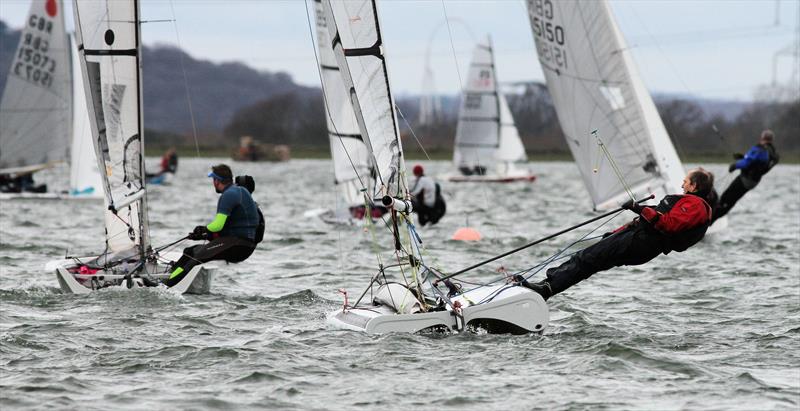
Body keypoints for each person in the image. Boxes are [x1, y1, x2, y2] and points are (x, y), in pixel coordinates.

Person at [518, 168, 715, 301]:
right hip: (637, 240)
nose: (682, 185)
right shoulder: (690, 203)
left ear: (694, 186)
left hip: (641, 244)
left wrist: (639, 208)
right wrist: (613, 233)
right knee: (588, 262)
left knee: (585, 258)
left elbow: (668, 224)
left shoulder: (695, 205)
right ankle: (546, 287)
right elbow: (654, 222)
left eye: (686, 182)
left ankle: (545, 290)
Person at [164, 164, 259, 287]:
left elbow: (218, 225)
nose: (213, 183)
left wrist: (203, 229)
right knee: (190, 252)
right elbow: (231, 226)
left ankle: (166, 286)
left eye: (213, 180)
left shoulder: (229, 194)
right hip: (241, 243)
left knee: (196, 258)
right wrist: (204, 234)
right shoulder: (240, 191)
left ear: (217, 180)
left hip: (239, 244)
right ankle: (170, 276)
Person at [712, 129, 779, 223]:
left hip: (745, 179)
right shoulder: (773, 153)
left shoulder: (761, 148)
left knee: (725, 199)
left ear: (762, 137)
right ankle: (712, 220)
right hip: (753, 182)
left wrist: (735, 165)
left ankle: (708, 220)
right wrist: (743, 157)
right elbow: (757, 163)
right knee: (731, 201)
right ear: (772, 140)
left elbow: (748, 162)